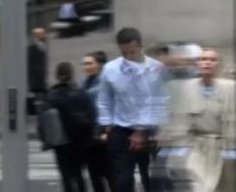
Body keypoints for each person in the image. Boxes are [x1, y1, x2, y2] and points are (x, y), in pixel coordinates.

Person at [97, 27, 167, 192]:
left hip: (151, 129)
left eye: (133, 53)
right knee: (122, 182)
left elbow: (160, 102)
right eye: (125, 54)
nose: (129, 58)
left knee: (153, 180)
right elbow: (104, 99)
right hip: (122, 129)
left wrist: (145, 131)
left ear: (140, 47)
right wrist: (106, 126)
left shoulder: (157, 69)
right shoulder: (110, 69)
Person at [162, 49, 236, 192]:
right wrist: (179, 146)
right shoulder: (186, 88)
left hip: (220, 148)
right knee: (200, 186)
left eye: (212, 60)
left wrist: (231, 147)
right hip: (196, 148)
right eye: (203, 59)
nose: (207, 63)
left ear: (218, 64)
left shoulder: (230, 88)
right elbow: (179, 120)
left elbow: (233, 120)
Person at [44, 62, 96, 192]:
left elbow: (45, 120)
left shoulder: (51, 96)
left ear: (57, 75)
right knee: (79, 174)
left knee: (66, 176)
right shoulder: (81, 93)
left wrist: (46, 140)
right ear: (71, 75)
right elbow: (92, 114)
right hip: (79, 140)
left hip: (60, 142)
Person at [81, 51, 110, 192]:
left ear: (99, 65)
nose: (86, 67)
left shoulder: (103, 84)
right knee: (95, 177)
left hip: (102, 138)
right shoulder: (85, 84)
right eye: (84, 64)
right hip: (89, 139)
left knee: (110, 176)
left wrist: (104, 131)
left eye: (89, 63)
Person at [28, 27, 49, 114]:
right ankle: (38, 112)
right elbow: (29, 63)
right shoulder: (32, 47)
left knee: (42, 96)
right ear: (37, 35)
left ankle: (41, 110)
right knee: (38, 96)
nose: (44, 35)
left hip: (42, 76)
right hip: (36, 77)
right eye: (42, 34)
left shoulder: (43, 44)